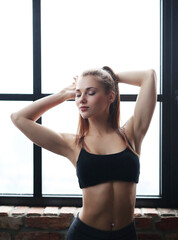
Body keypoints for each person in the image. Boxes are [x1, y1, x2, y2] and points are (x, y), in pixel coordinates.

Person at [11, 66, 157, 240]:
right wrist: (64, 94)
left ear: (111, 96)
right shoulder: (73, 144)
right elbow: (19, 118)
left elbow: (148, 76)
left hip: (125, 235)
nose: (82, 100)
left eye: (91, 92)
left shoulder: (131, 134)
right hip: (85, 234)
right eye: (78, 94)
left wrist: (111, 76)